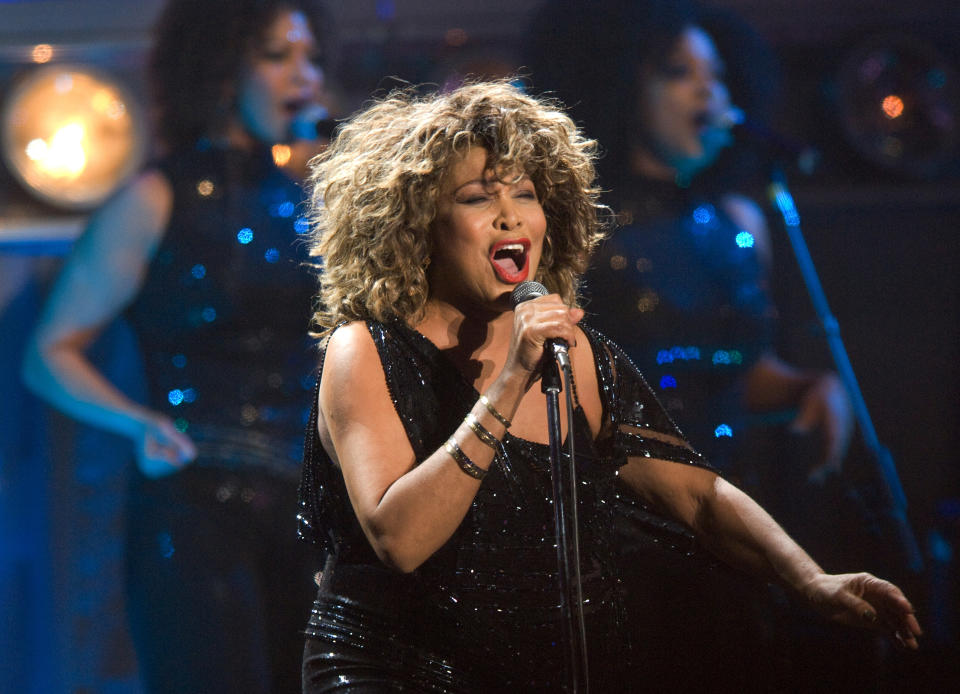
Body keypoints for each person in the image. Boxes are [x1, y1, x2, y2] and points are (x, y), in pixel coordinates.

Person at [296, 80, 920, 693]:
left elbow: (698, 496)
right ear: (417, 224)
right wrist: (512, 378)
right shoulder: (365, 349)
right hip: (392, 670)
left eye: (525, 193)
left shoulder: (577, 358)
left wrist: (810, 580)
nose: (511, 214)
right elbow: (399, 540)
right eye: (477, 198)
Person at [22, 1, 331, 691]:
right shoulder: (157, 197)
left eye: (310, 57)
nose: (304, 76)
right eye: (278, 56)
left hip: (308, 507)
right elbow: (49, 354)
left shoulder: (306, 202)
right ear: (223, 67)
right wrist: (139, 423)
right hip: (196, 506)